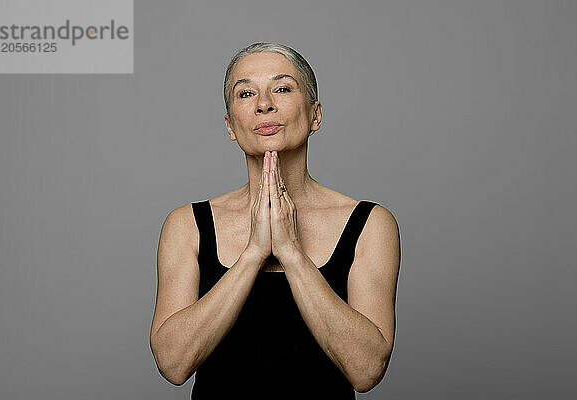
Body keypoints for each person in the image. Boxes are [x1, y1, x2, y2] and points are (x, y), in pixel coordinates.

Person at [149, 42, 401, 399]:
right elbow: (173, 364)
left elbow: (366, 370)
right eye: (246, 92)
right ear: (230, 125)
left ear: (315, 115)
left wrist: (290, 251)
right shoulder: (187, 224)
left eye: (282, 88)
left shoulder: (371, 224)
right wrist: (253, 253)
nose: (263, 103)